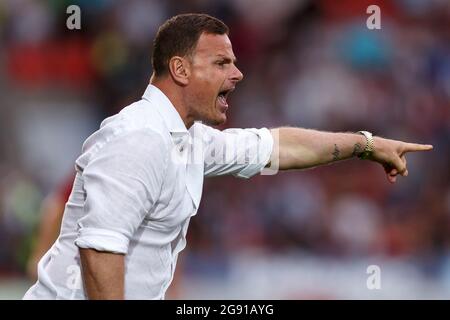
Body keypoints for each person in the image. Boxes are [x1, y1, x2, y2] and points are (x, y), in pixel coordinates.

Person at [23, 13, 432, 300]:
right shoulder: (139, 139)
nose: (237, 74)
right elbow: (99, 252)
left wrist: (366, 144)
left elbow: (279, 146)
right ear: (180, 70)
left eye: (234, 62)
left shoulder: (187, 139)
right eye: (221, 62)